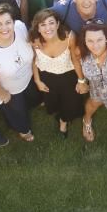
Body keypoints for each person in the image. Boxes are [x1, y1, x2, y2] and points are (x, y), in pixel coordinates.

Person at [0, 4, 39, 141]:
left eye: (8, 22)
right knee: (18, 114)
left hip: (29, 78)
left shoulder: (21, 27)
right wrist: (4, 95)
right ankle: (23, 130)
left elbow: (31, 45)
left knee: (33, 98)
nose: (5, 28)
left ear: (14, 22)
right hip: (10, 91)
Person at [30, 9, 85, 137]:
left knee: (71, 104)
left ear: (58, 24)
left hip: (68, 76)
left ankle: (63, 122)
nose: (48, 28)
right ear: (37, 28)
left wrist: (81, 81)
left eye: (51, 23)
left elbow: (75, 60)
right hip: (47, 77)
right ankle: (59, 114)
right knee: (53, 103)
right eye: (43, 25)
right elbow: (33, 61)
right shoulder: (34, 41)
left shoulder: (69, 37)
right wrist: (37, 81)